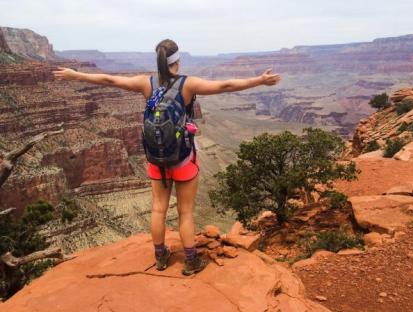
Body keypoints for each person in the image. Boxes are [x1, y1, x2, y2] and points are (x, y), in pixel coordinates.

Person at [53, 39, 281, 275]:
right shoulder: (187, 84)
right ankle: (190, 261)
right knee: (185, 211)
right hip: (183, 159)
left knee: (158, 209)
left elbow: (109, 80)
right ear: (177, 60)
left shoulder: (146, 82)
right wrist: (259, 81)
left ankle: (160, 257)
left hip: (155, 161)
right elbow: (225, 86)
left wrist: (75, 75)